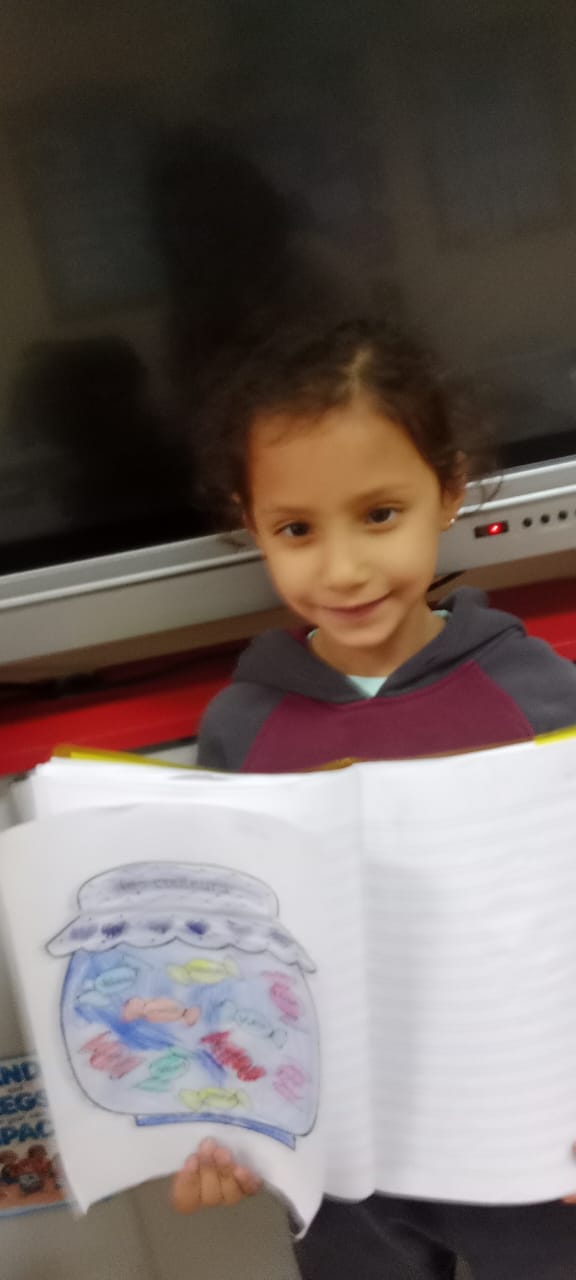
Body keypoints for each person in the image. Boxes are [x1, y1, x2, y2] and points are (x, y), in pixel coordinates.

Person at [171, 315, 576, 1278]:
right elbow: (222, 954)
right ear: (251, 524)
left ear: (450, 490)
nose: (344, 569)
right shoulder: (241, 728)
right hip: (345, 1164)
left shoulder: (540, 696)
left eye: (381, 514)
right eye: (297, 530)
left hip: (525, 1146)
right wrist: (215, 1119)